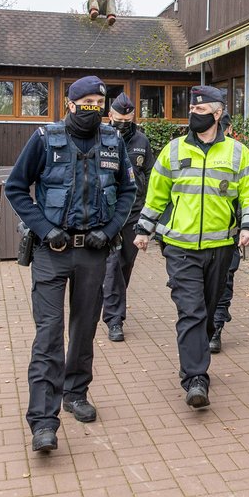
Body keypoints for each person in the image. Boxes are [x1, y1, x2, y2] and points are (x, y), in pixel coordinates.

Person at [5, 75, 136, 454]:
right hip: (52, 252)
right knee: (49, 334)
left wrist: (110, 229)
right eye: (88, 100)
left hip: (93, 251)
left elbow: (128, 190)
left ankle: (76, 393)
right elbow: (16, 187)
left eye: (100, 100)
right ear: (70, 103)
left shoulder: (113, 141)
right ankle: (43, 422)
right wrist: (45, 229)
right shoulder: (45, 139)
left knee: (83, 330)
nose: (94, 106)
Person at [134, 86, 249, 409]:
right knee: (190, 310)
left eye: (202, 111)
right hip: (179, 248)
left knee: (205, 313)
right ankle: (195, 378)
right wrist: (144, 229)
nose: (194, 115)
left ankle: (194, 355)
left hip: (221, 247)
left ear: (218, 114)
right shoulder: (174, 150)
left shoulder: (237, 153)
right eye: (192, 109)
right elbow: (157, 193)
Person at [102, 92, 155, 343]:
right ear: (110, 115)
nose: (123, 120)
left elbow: (151, 174)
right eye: (119, 116)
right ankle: (114, 319)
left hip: (134, 213)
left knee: (125, 264)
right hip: (109, 213)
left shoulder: (142, 141)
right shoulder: (100, 137)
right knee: (111, 264)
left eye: (128, 116)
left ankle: (111, 304)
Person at [209, 112, 242, 354]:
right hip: (195, 238)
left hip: (228, 235)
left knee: (224, 281)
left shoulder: (238, 154)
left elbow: (248, 194)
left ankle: (216, 327)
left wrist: (247, 226)